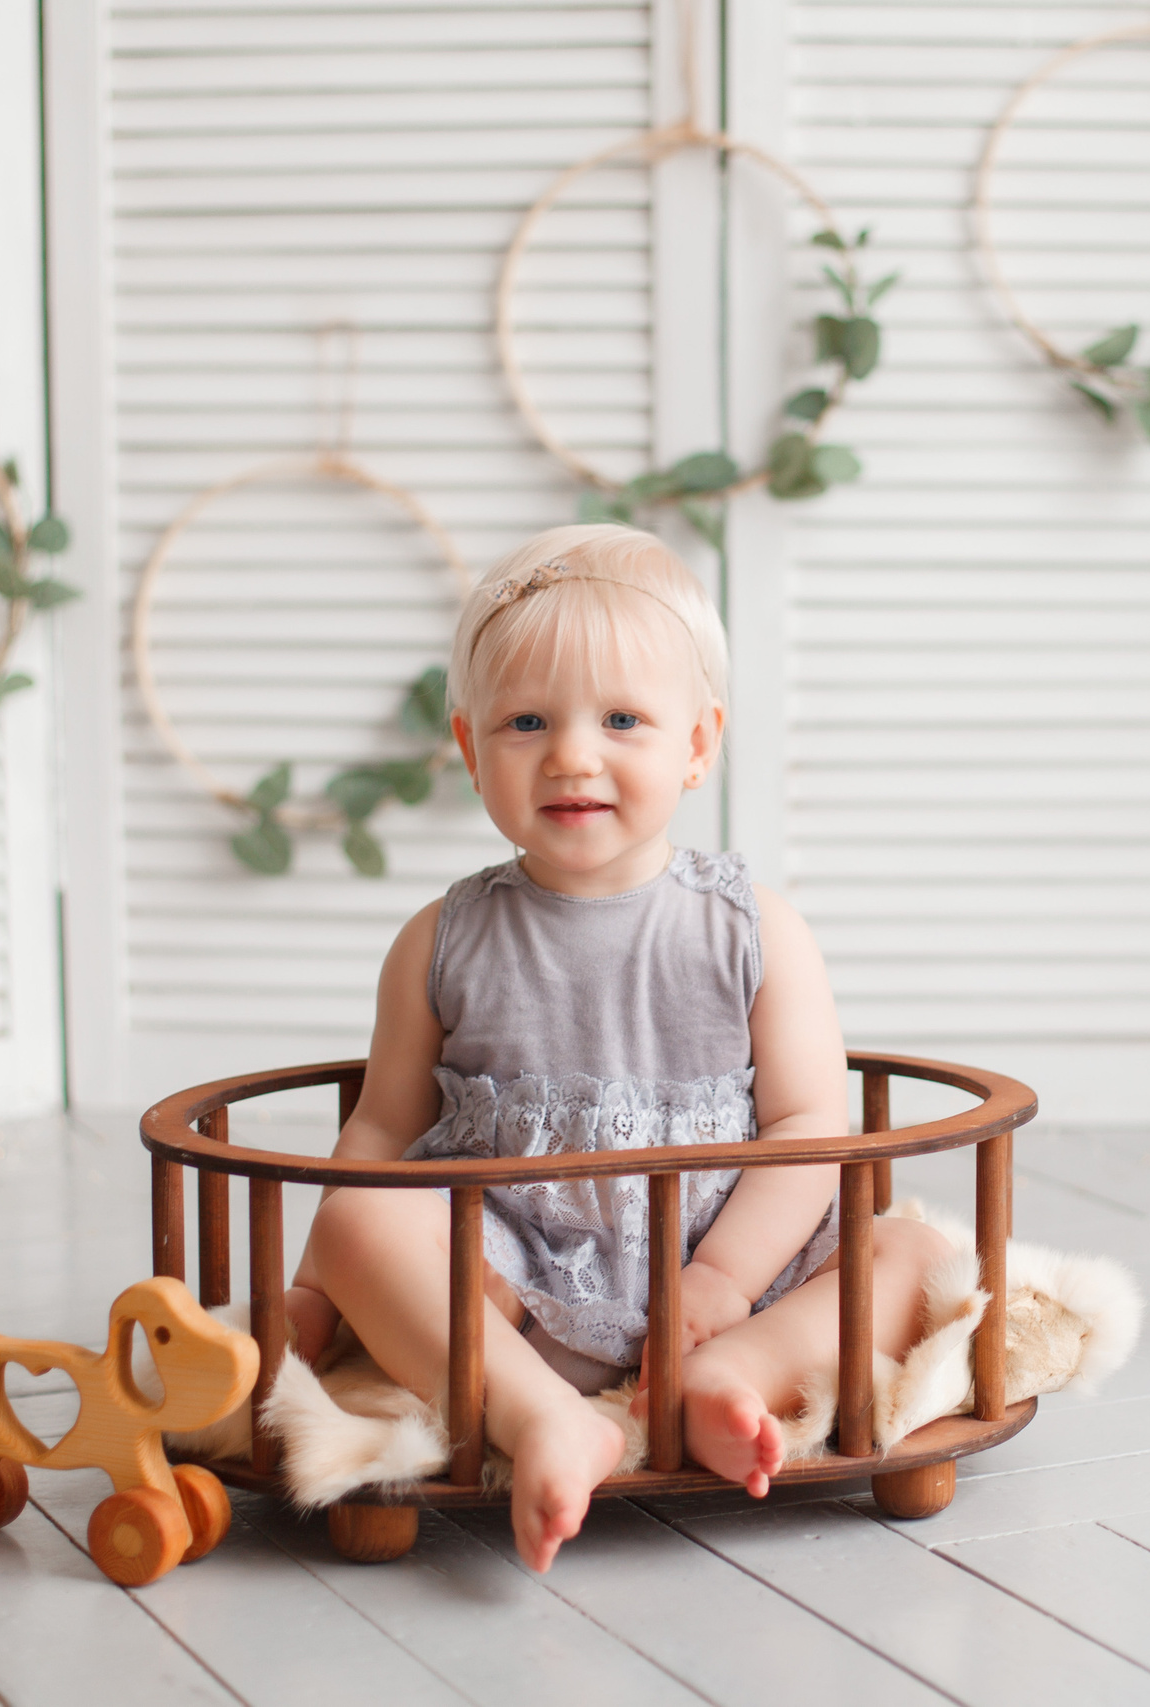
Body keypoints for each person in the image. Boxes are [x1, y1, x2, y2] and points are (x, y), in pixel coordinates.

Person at [280, 523, 949, 1572]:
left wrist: (724, 1279)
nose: (572, 755)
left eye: (623, 719)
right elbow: (379, 1129)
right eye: (526, 721)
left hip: (729, 1276)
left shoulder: (754, 930)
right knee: (360, 1218)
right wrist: (320, 1284)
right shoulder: (441, 940)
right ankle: (541, 1413)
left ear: (698, 743)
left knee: (916, 1258)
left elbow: (809, 1127)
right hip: (515, 1281)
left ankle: (723, 1382)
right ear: (470, 750)